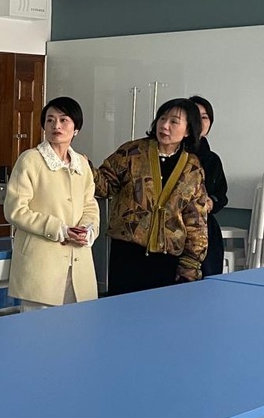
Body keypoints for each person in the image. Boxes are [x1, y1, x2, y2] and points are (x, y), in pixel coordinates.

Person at [90, 98, 211, 295]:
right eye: (162, 118)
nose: (164, 125)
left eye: (174, 121)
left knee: (159, 310)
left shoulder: (193, 167)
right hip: (127, 252)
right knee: (121, 308)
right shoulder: (132, 152)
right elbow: (105, 186)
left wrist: (191, 263)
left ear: (188, 131)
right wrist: (81, 166)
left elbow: (196, 220)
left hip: (167, 258)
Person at [4, 96, 100, 309]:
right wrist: (59, 229)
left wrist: (87, 229)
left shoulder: (81, 164)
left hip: (78, 262)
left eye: (63, 120)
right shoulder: (30, 160)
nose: (56, 125)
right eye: (50, 120)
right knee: (38, 326)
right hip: (41, 265)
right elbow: (15, 210)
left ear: (76, 129)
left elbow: (90, 204)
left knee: (78, 324)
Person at [189, 95, 229, 277]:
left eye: (205, 117)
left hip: (205, 225)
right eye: (195, 116)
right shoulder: (176, 155)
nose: (200, 122)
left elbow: (221, 194)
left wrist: (212, 202)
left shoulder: (212, 159)